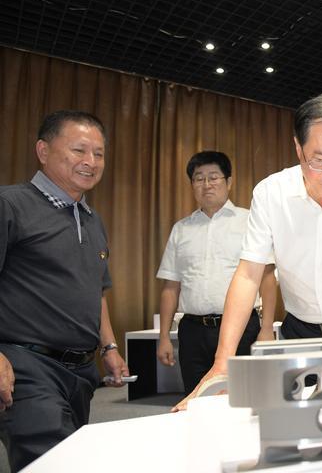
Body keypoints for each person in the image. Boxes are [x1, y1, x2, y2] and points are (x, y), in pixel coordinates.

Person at [173, 94, 322, 410]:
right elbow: (248, 275)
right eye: (319, 160)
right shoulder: (271, 193)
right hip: (299, 335)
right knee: (291, 420)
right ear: (298, 149)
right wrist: (223, 362)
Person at [0, 110, 129, 471]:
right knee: (53, 462)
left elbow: (95, 290)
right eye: (79, 150)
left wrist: (109, 347)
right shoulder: (10, 205)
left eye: (99, 153)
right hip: (26, 367)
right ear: (43, 151)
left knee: (72, 457)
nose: (91, 161)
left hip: (81, 373)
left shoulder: (91, 218)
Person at [156, 151, 277, 396]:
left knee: (243, 399)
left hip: (242, 329)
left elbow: (267, 278)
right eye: (199, 178)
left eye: (213, 177)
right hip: (192, 331)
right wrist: (164, 336)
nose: (206, 184)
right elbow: (171, 287)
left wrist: (266, 329)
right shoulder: (181, 229)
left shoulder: (249, 221)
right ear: (192, 185)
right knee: (196, 398)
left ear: (229, 182)